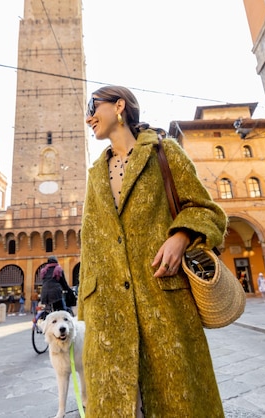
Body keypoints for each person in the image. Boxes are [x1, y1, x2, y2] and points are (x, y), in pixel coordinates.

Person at [79, 86, 228, 417]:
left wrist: (180, 235)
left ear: (119, 106)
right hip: (107, 313)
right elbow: (89, 245)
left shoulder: (164, 153)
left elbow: (207, 211)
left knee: (178, 400)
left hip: (163, 300)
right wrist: (85, 318)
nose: (88, 117)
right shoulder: (94, 175)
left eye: (92, 106)